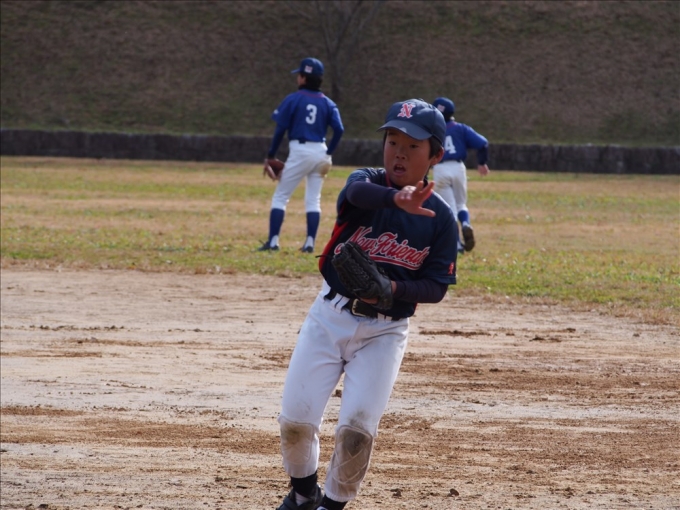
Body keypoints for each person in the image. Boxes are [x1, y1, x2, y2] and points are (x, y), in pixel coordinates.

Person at [275, 99, 459, 510]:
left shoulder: (442, 219)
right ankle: (303, 494)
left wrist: (391, 289)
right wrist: (395, 200)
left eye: (412, 146)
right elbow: (356, 193)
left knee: (356, 433)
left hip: (385, 332)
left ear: (435, 156)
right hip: (329, 317)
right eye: (392, 141)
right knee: (295, 423)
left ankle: (331, 506)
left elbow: (436, 286)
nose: (399, 153)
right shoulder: (366, 184)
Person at [259, 57, 345, 253]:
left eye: (299, 75)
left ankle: (273, 242)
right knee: (313, 199)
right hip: (321, 152)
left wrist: (271, 155)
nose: (298, 78)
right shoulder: (328, 103)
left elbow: (280, 129)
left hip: (301, 149)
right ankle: (309, 244)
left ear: (304, 78)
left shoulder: (294, 99)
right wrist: (329, 151)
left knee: (281, 196)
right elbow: (339, 129)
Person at [431, 96, 490, 253]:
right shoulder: (461, 128)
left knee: (448, 209)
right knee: (461, 204)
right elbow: (483, 143)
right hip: (458, 167)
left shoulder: (432, 131)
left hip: (440, 169)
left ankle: (456, 245)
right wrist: (482, 162)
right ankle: (465, 223)